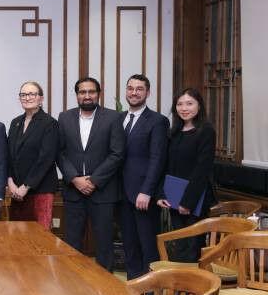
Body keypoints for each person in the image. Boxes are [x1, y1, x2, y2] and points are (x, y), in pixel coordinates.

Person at [57, 77, 125, 271]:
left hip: (103, 191)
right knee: (72, 243)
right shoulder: (64, 117)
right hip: (73, 191)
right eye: (82, 92)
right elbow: (59, 152)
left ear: (98, 94)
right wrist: (75, 179)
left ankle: (107, 289)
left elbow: (117, 153)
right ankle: (73, 286)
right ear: (77, 95)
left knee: (104, 244)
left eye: (91, 92)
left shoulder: (113, 117)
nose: (87, 96)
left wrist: (94, 181)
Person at [119, 74, 169, 279]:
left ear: (148, 93)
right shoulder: (118, 118)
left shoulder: (158, 121)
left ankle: (150, 293)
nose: (134, 92)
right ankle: (132, 288)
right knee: (129, 245)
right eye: (130, 88)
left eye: (139, 89)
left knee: (147, 246)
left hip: (143, 196)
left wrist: (146, 191)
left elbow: (158, 159)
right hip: (120, 193)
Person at [157, 88, 216, 262]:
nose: (184, 108)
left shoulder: (206, 131)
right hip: (174, 198)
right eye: (179, 104)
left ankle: (193, 288)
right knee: (179, 245)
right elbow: (165, 167)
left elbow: (202, 170)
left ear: (199, 106)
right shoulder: (174, 132)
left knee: (192, 248)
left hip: (194, 199)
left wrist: (187, 202)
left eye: (189, 103)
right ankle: (178, 287)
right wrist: (161, 194)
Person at [7, 81, 59, 228]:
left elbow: (46, 158)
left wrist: (26, 186)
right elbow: (9, 154)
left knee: (39, 239)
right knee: (17, 238)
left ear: (41, 99)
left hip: (40, 190)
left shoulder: (49, 123)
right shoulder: (15, 122)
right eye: (23, 94)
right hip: (16, 192)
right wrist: (10, 183)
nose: (27, 97)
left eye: (32, 94)